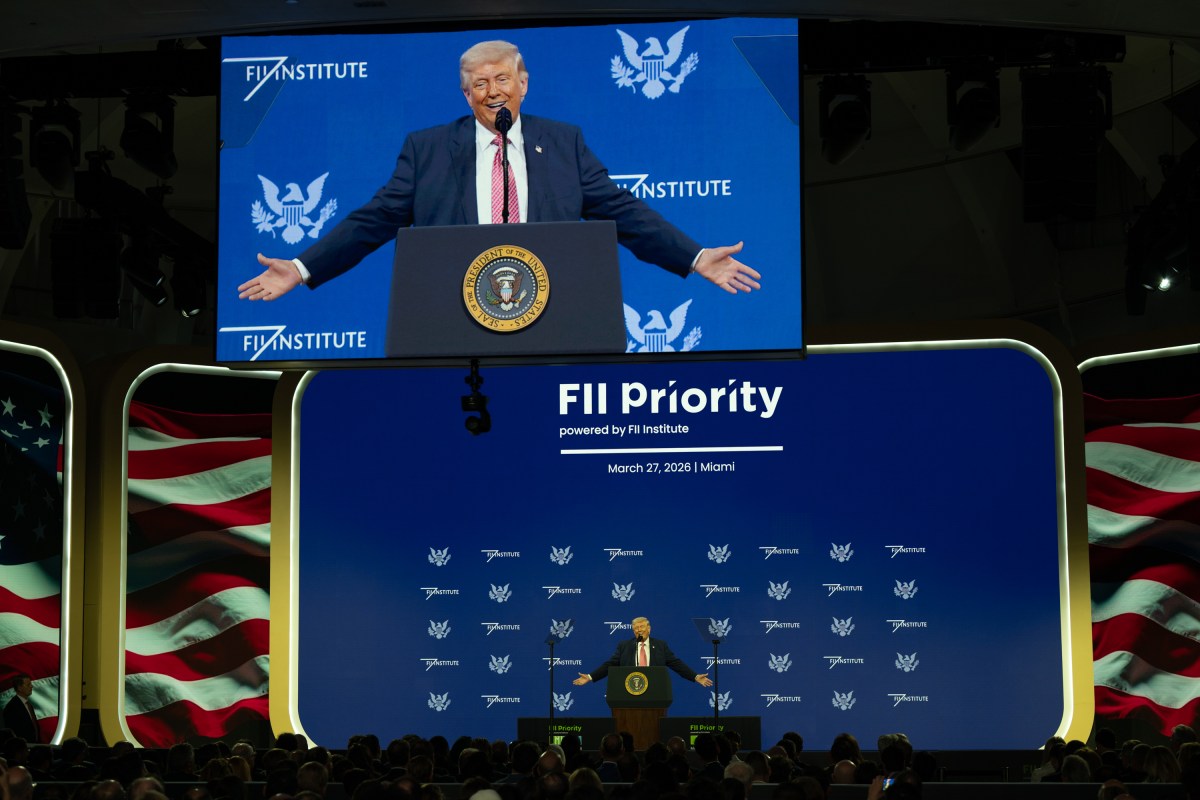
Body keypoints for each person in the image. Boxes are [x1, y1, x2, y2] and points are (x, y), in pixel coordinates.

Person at [239, 40, 761, 302]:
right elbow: (373, 220)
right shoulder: (428, 149)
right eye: (480, 83)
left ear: (524, 84)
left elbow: (624, 212)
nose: (494, 91)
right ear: (465, 95)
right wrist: (304, 267)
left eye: (503, 79)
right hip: (455, 314)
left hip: (552, 309)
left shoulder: (563, 142)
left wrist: (693, 256)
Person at [572, 616, 712, 687]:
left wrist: (694, 676)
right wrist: (590, 677)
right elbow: (609, 664)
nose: (638, 630)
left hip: (655, 690)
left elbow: (676, 664)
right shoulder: (625, 646)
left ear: (649, 628)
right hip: (630, 690)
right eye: (635, 628)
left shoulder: (660, 645)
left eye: (641, 627)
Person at [2, 676, 38, 744]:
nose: (31, 686)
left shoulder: (29, 705)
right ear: (19, 688)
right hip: (22, 747)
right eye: (28, 685)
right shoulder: (11, 707)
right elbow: (14, 731)